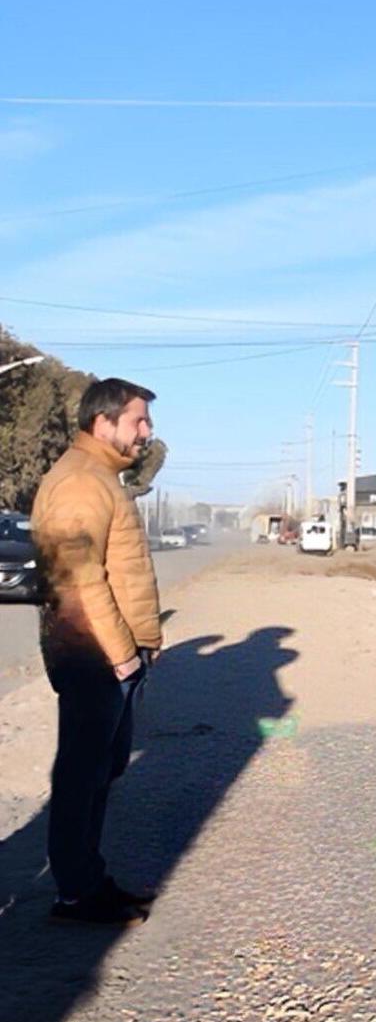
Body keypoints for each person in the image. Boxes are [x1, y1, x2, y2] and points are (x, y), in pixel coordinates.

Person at [31, 377, 163, 925]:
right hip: (95, 656)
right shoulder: (82, 483)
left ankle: (87, 881)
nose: (147, 431)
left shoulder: (101, 478)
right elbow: (80, 580)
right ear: (102, 422)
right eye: (138, 420)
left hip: (105, 656)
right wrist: (123, 657)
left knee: (96, 772)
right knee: (82, 775)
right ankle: (77, 892)